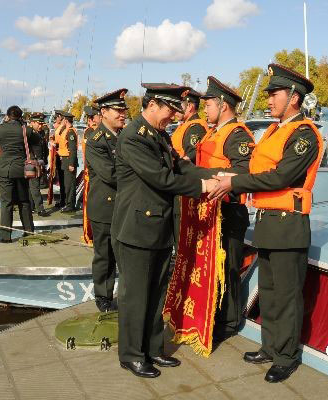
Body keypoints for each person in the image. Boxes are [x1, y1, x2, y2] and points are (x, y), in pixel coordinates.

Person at [208, 64, 323, 383]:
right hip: (269, 222)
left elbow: (281, 177)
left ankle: (286, 356)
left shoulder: (304, 134)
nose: (269, 100)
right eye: (269, 94)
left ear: (294, 98)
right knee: (270, 292)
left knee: (286, 295)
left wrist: (234, 182)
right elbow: (259, 171)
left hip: (289, 225)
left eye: (275, 94)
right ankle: (271, 346)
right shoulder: (274, 130)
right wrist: (232, 176)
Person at [111, 83, 216, 378]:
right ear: (153, 105)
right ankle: (132, 354)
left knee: (157, 294)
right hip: (137, 229)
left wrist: (219, 176)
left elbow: (179, 167)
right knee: (136, 297)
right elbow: (162, 179)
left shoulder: (159, 135)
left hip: (157, 226)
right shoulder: (133, 137)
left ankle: (153, 349)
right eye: (170, 110)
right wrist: (203, 186)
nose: (173, 116)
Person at [196, 76, 255, 343]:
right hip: (210, 209)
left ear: (223, 105)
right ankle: (212, 314)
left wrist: (202, 175)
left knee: (228, 267)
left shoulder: (237, 135)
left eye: (208, 104)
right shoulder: (212, 132)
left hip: (229, 211)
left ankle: (229, 321)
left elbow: (242, 171)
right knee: (211, 267)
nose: (205, 109)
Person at [86, 89, 128, 313]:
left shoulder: (124, 136)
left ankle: (128, 295)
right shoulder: (96, 141)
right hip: (105, 206)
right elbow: (110, 174)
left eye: (124, 110)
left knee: (125, 254)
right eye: (118, 110)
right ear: (103, 112)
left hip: (124, 205)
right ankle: (103, 296)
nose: (123, 114)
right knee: (105, 256)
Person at [170, 88, 208, 248]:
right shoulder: (185, 125)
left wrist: (174, 165)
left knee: (184, 239)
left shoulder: (195, 127)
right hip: (180, 186)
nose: (175, 109)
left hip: (186, 187)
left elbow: (192, 154)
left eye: (179, 105)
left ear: (190, 106)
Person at [0, 105, 35, 243]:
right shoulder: (26, 130)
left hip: (4, 169)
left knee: (6, 203)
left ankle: (5, 237)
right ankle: (29, 232)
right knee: (24, 201)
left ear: (7, 116)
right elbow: (37, 143)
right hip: (21, 169)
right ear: (20, 116)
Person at [57, 112, 78, 213]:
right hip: (65, 160)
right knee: (67, 184)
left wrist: (71, 164)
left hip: (69, 160)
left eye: (63, 120)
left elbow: (73, 149)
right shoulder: (66, 131)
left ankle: (70, 205)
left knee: (70, 184)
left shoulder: (70, 132)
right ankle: (67, 203)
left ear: (65, 121)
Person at [28, 113, 47, 216]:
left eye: (42, 124)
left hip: (39, 162)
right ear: (32, 123)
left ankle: (31, 207)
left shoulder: (41, 133)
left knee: (33, 186)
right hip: (32, 162)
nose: (41, 126)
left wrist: (44, 161)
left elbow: (44, 149)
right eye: (38, 123)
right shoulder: (29, 134)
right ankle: (40, 208)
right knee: (34, 186)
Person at [52, 110, 66, 208]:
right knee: (60, 180)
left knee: (63, 179)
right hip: (58, 156)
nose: (55, 119)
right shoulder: (59, 128)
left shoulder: (62, 128)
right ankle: (62, 199)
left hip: (61, 156)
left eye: (56, 117)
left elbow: (60, 142)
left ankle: (63, 200)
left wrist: (54, 143)